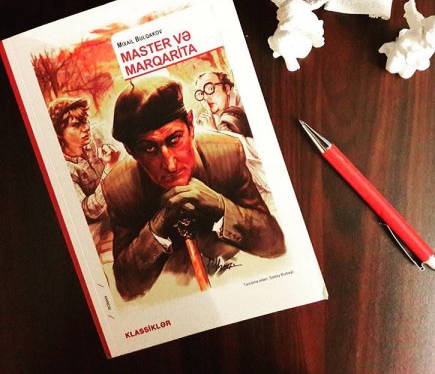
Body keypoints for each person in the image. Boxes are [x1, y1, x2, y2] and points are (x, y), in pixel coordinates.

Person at [102, 76, 285, 301]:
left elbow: (274, 242)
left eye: (174, 140)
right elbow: (126, 287)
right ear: (131, 151)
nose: (170, 164)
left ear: (190, 125)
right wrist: (159, 224)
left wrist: (220, 205)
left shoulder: (226, 153)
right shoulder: (119, 188)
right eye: (149, 148)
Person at [48, 98, 120, 262]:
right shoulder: (62, 168)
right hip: (98, 227)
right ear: (59, 133)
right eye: (76, 125)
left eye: (85, 121)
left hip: (120, 208)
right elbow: (89, 212)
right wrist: (109, 168)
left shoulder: (97, 134)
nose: (86, 127)